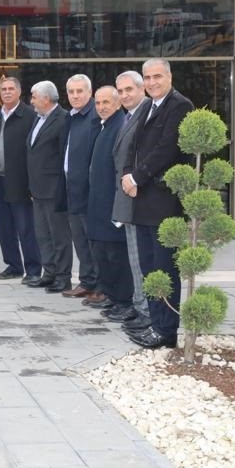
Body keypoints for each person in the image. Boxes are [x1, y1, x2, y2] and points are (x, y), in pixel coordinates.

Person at [121, 58, 194, 349]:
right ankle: (154, 323)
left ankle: (166, 330)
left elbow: (167, 149)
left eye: (157, 76)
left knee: (164, 267)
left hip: (164, 202)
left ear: (170, 77)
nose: (152, 82)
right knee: (149, 266)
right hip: (142, 200)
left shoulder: (180, 106)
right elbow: (134, 146)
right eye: (148, 77)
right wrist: (127, 174)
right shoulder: (148, 106)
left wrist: (137, 177)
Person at [0, 77, 41, 283]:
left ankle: (33, 270)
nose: (6, 92)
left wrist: (33, 184)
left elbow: (36, 153)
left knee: (26, 228)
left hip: (20, 182)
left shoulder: (30, 116)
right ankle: (13, 266)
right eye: (3, 89)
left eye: (11, 88)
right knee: (4, 228)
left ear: (19, 92)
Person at [85, 86, 133, 316]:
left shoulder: (120, 126)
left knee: (117, 257)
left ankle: (123, 302)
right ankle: (112, 296)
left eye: (106, 102)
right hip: (98, 205)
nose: (101, 107)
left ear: (117, 103)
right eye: (98, 103)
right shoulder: (104, 126)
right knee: (103, 255)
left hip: (112, 206)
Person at [111, 71, 152, 330]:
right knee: (134, 259)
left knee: (141, 260)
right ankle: (139, 306)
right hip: (127, 197)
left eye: (129, 90)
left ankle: (146, 311)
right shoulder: (129, 116)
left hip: (140, 199)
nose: (124, 95)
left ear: (141, 89)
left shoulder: (147, 114)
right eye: (121, 91)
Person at [25, 80, 73, 292]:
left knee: (59, 236)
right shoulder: (38, 118)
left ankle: (63, 277)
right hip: (37, 189)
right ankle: (50, 272)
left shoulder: (63, 119)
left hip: (54, 189)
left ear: (46, 98)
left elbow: (64, 156)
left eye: (34, 96)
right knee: (43, 234)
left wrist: (61, 187)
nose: (31, 101)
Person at [59, 74, 102, 300]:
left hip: (89, 190)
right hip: (72, 187)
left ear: (90, 92)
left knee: (94, 241)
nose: (75, 96)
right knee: (80, 240)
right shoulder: (72, 116)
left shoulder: (96, 116)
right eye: (71, 92)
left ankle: (101, 286)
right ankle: (87, 281)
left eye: (80, 91)